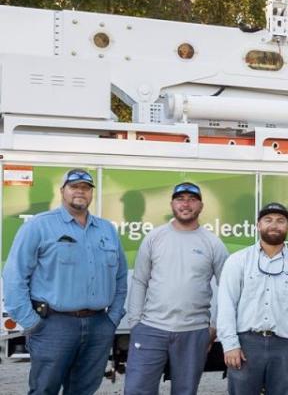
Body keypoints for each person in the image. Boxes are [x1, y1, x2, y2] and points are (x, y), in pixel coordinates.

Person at [2, 168, 127, 395]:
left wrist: (113, 318)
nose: (80, 191)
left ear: (91, 194)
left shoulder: (107, 230)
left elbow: (120, 277)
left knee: (84, 390)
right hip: (53, 325)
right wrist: (32, 323)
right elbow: (14, 276)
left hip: (99, 324)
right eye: (74, 186)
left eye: (86, 188)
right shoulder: (38, 226)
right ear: (62, 191)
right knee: (44, 390)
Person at [124, 182, 229, 395]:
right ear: (172, 204)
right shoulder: (154, 238)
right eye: (180, 199)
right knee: (137, 390)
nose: (186, 204)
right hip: (151, 329)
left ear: (201, 206)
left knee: (185, 391)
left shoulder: (213, 243)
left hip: (194, 332)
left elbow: (228, 289)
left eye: (192, 199)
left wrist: (215, 326)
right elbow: (139, 281)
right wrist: (135, 322)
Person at [217, 203, 288, 395]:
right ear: (258, 225)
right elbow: (226, 305)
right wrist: (230, 345)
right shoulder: (238, 261)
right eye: (268, 220)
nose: (274, 225)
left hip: (286, 346)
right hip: (246, 344)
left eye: (280, 221)